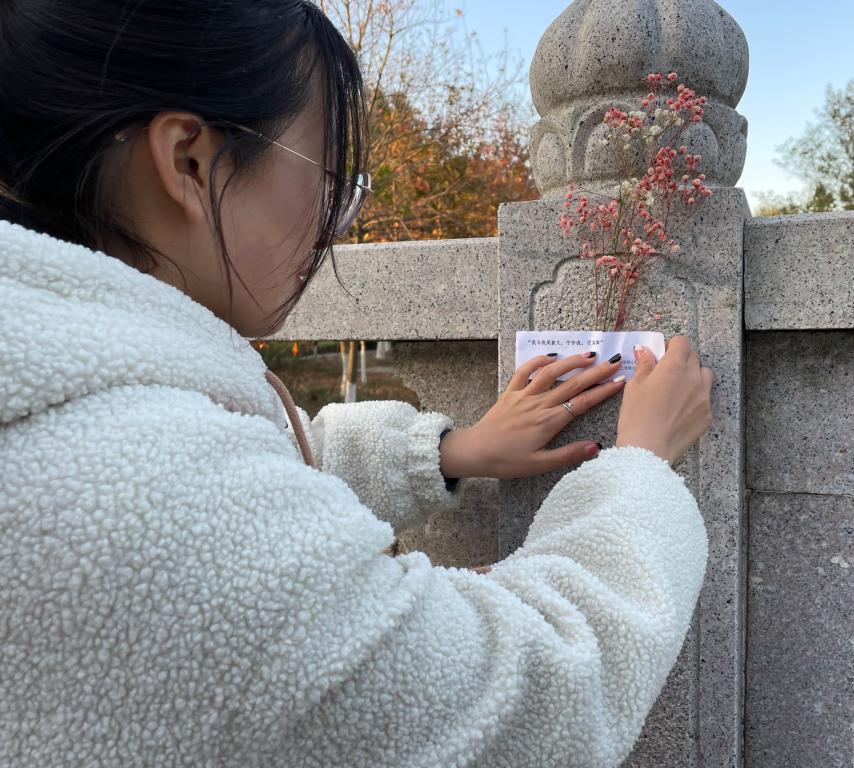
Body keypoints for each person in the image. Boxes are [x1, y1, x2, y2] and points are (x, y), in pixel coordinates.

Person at [0, 1, 713, 766]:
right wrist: (639, 469)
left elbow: (236, 456)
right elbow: (541, 700)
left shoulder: (63, 387)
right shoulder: (149, 502)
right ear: (189, 162)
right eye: (330, 178)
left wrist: (448, 451)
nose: (336, 223)